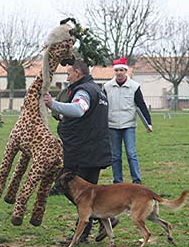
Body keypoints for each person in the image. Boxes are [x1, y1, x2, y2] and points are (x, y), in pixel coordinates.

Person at [44, 59, 113, 243]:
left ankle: (94, 223)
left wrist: (53, 104)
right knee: (87, 192)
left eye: (68, 74)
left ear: (77, 73)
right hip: (95, 150)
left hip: (83, 152)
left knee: (65, 184)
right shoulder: (97, 90)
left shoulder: (83, 91)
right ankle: (101, 220)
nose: (67, 78)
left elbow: (79, 109)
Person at [104, 57, 152, 185]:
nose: (119, 73)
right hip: (112, 125)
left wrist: (148, 123)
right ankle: (117, 182)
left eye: (122, 70)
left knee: (131, 154)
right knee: (115, 156)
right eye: (117, 70)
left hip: (128, 125)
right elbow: (103, 106)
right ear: (114, 72)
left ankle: (136, 181)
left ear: (126, 71)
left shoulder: (134, 87)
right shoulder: (107, 87)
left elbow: (141, 105)